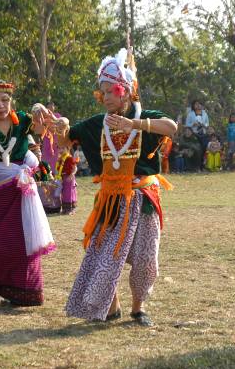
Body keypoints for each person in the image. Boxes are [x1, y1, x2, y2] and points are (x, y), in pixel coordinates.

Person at [52, 47, 177, 326]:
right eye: (103, 92)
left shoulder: (145, 117)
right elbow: (66, 140)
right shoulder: (97, 124)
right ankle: (112, 305)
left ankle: (138, 308)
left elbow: (171, 127)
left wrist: (134, 124)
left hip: (142, 199)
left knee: (146, 258)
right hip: (111, 200)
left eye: (112, 91)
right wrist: (61, 125)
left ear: (127, 91)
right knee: (103, 254)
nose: (106, 97)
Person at [0, 83, 55, 306]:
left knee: (21, 240)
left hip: (19, 188)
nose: (1, 105)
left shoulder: (23, 121)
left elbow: (43, 127)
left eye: (5, 100)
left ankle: (23, 289)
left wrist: (38, 107)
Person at [56, 145, 78, 215]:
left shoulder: (70, 158)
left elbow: (75, 168)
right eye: (60, 148)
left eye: (63, 148)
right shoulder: (60, 159)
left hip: (69, 178)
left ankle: (70, 209)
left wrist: (72, 174)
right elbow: (58, 169)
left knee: (69, 193)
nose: (61, 150)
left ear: (68, 149)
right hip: (63, 178)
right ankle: (65, 209)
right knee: (64, 194)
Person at [41, 101, 61, 166]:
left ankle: (55, 170)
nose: (51, 107)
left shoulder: (57, 115)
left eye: (52, 106)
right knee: (45, 156)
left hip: (55, 139)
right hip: (47, 138)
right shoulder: (44, 116)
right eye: (49, 106)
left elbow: (60, 125)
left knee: (56, 156)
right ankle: (45, 168)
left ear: (54, 107)